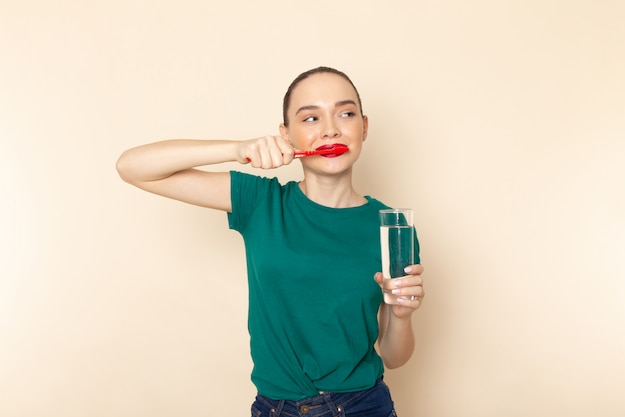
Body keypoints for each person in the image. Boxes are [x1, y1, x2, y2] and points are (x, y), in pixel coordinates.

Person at [116, 66, 425, 417]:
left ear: (364, 127)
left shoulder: (392, 226)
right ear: (286, 134)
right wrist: (238, 149)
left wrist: (401, 315)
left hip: (363, 405)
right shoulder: (261, 202)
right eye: (310, 118)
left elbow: (395, 356)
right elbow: (132, 166)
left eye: (346, 113)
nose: (330, 129)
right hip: (276, 408)